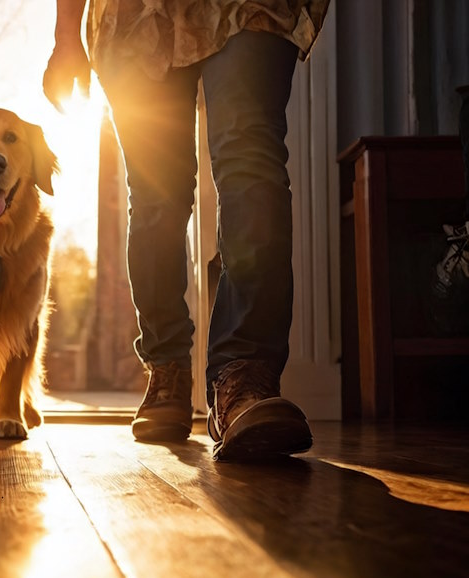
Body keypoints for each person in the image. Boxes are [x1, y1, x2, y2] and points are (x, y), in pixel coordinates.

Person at [44, 0, 330, 461]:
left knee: (251, 165)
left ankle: (245, 375)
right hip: (136, 14)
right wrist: (64, 35)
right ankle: (167, 368)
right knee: (157, 197)